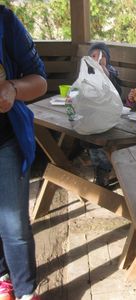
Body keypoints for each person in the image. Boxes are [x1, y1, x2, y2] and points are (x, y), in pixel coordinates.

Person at [0, 5, 47, 300]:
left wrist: (13, 89)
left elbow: (39, 81)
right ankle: (4, 279)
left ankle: (27, 292)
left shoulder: (4, 21)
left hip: (6, 140)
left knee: (14, 224)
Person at [85, 43, 122, 186]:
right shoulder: (87, 74)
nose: (98, 59)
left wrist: (106, 75)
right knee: (90, 141)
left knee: (102, 141)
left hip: (110, 117)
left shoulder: (111, 73)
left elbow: (119, 94)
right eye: (94, 56)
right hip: (92, 116)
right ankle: (99, 170)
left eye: (102, 56)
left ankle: (105, 170)